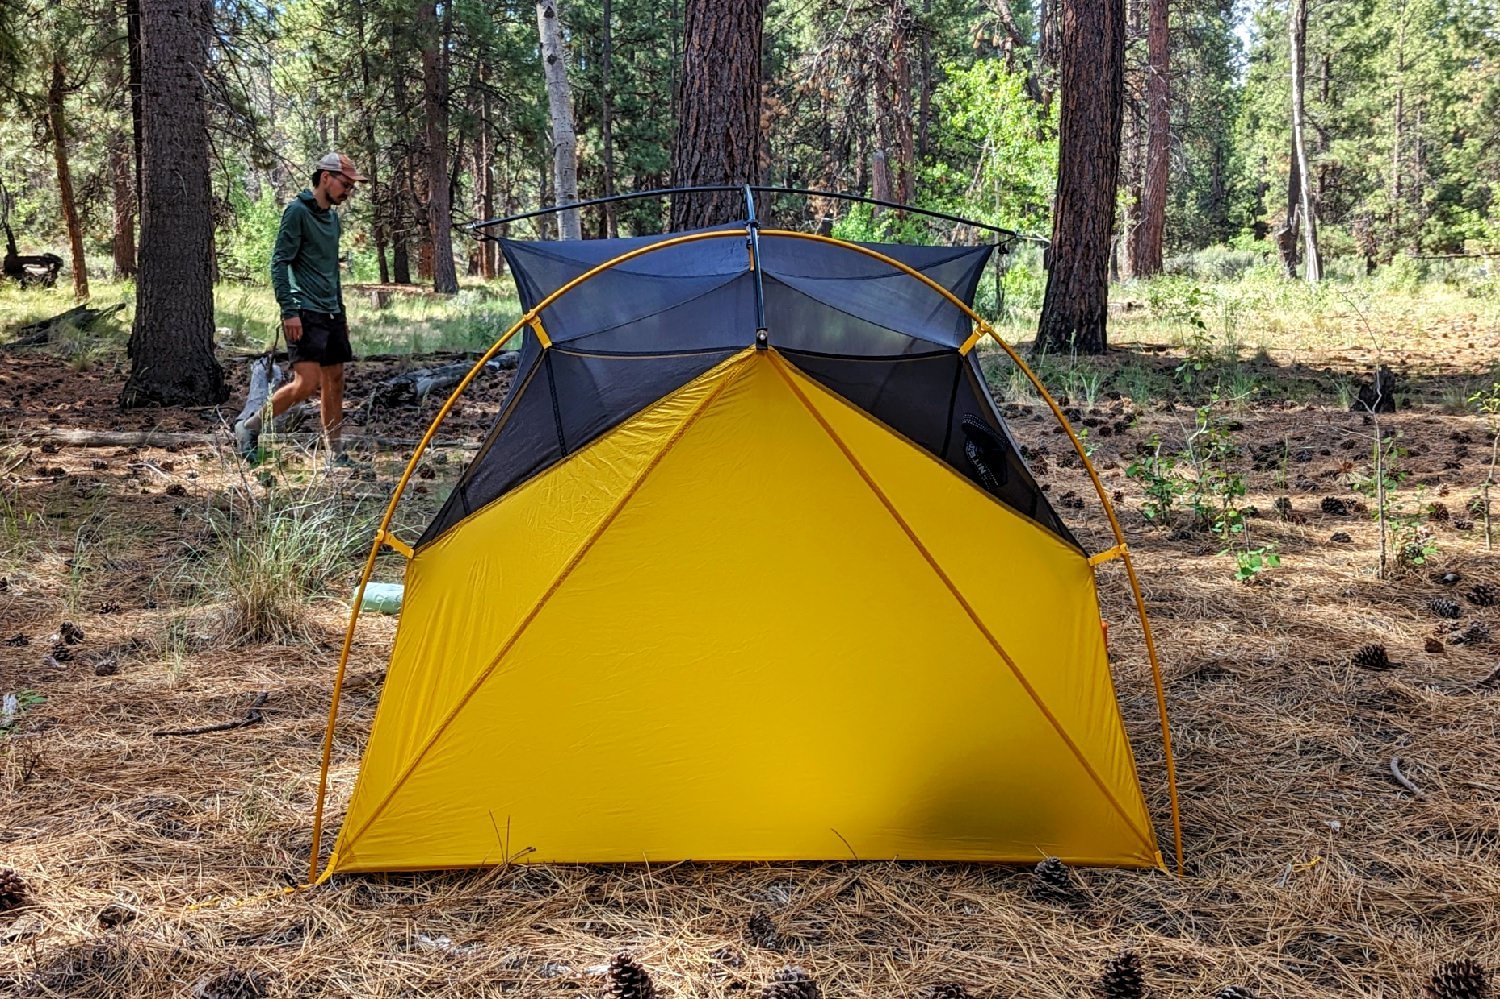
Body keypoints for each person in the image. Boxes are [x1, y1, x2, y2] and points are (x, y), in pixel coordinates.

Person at [236, 152, 366, 462]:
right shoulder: (296, 212)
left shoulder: (332, 218)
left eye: (351, 187)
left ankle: (335, 454)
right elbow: (280, 262)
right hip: (304, 311)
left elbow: (331, 268)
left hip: (331, 311)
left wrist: (341, 310)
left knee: (335, 379)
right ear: (325, 178)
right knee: (306, 383)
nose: (348, 192)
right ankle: (251, 426)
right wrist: (289, 310)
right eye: (345, 184)